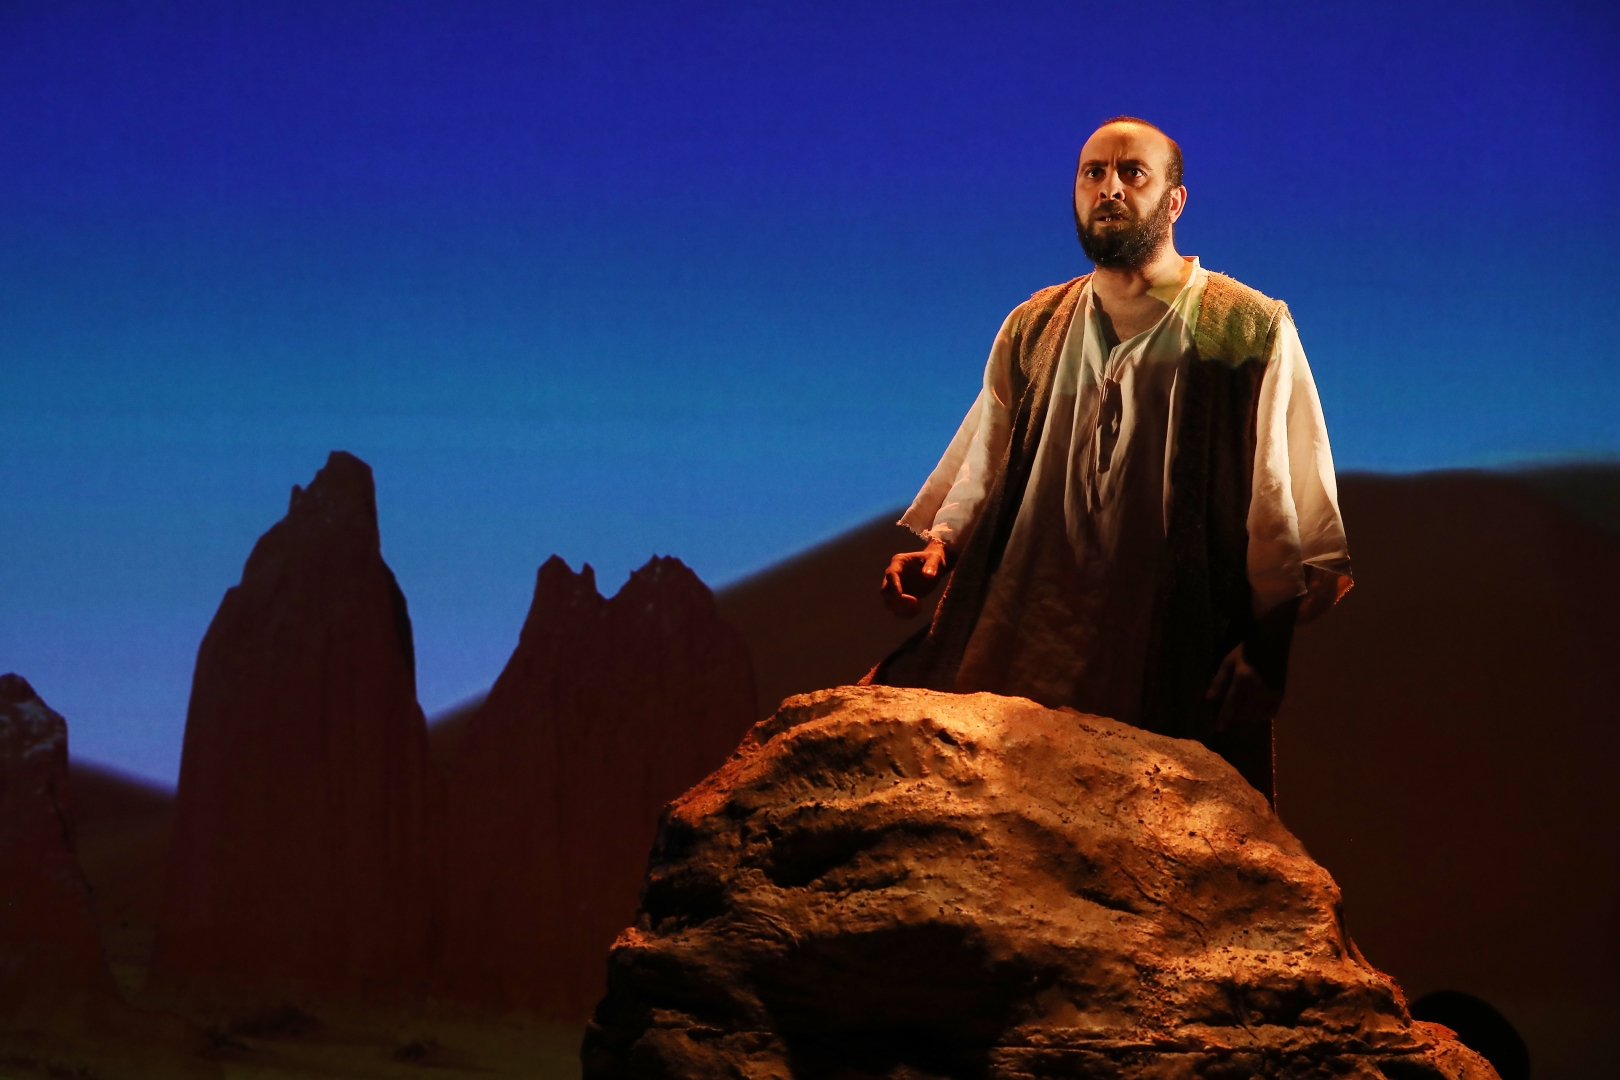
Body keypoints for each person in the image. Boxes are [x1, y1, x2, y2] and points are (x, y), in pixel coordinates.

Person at [868, 117, 1352, 804]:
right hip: (1021, 636)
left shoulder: (1247, 327)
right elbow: (988, 454)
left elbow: (1281, 499)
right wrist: (941, 547)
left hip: (1159, 650)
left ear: (1175, 201)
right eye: (1093, 172)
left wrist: (1268, 647)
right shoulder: (1034, 324)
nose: (1110, 188)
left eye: (1133, 173)